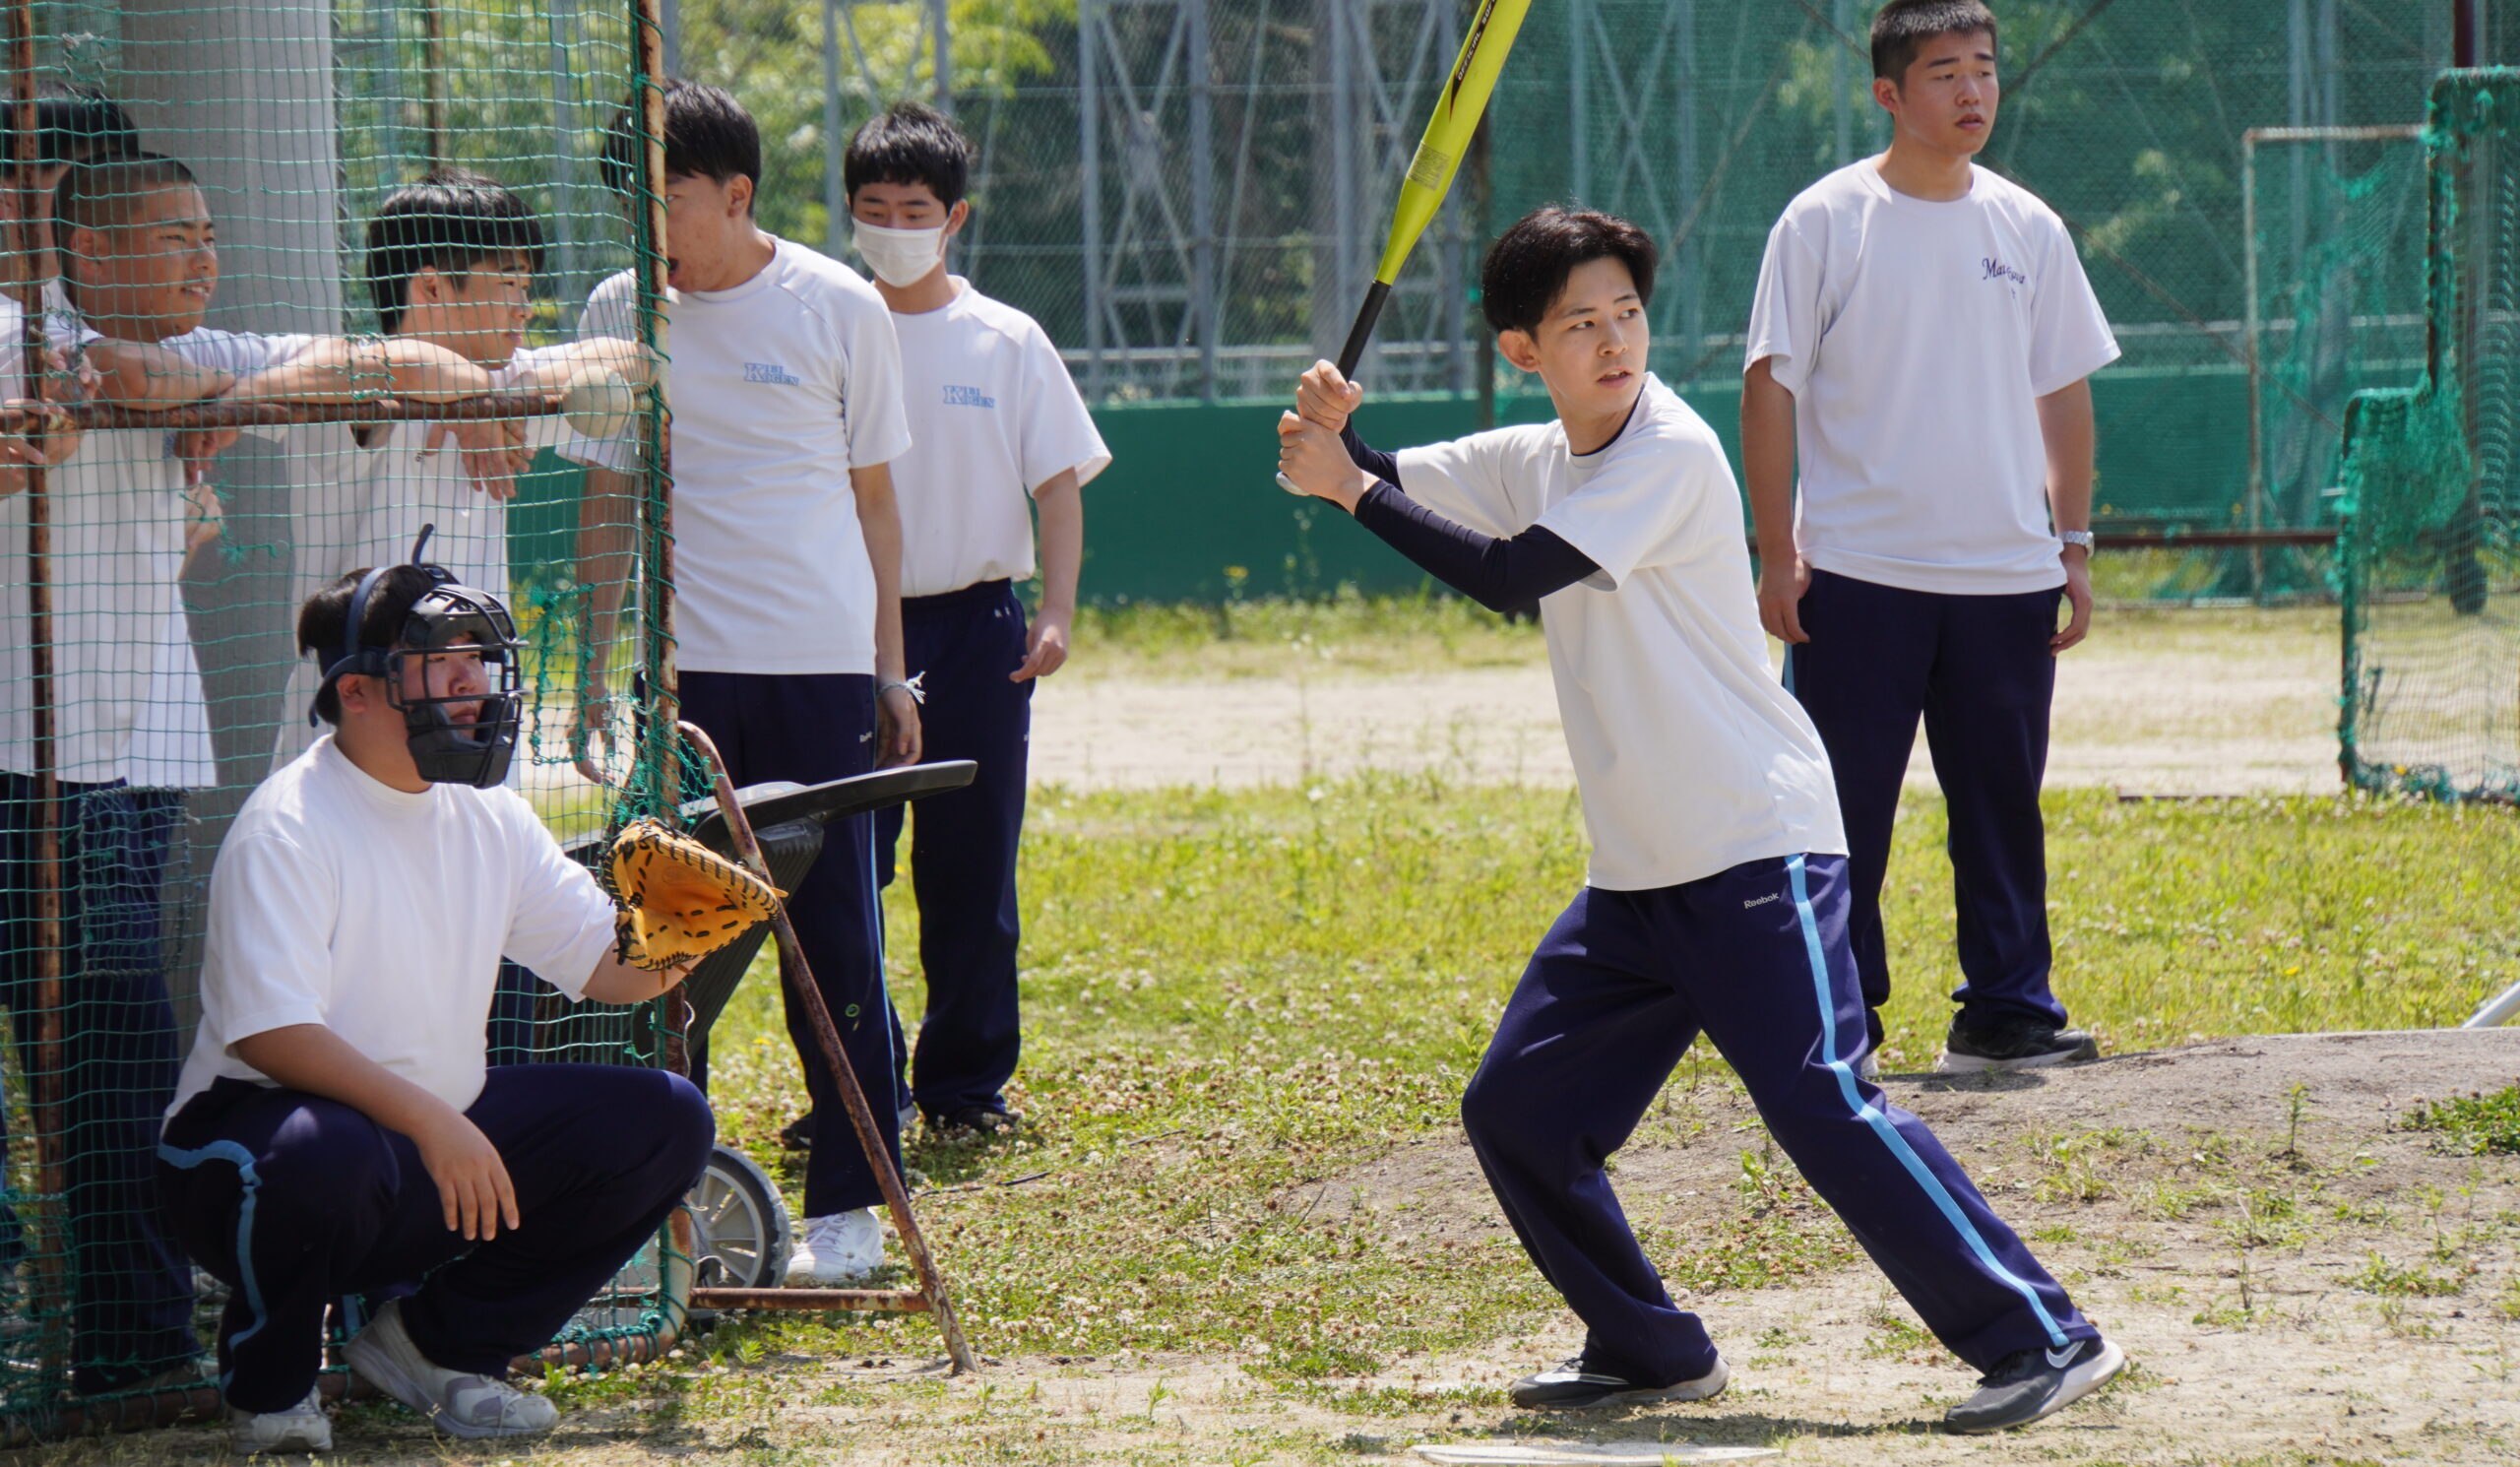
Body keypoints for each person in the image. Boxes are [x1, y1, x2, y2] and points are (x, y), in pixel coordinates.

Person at [1276, 206, 2124, 1434]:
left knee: (1822, 1101)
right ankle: (1649, 1345)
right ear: (1525, 350)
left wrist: (1345, 484)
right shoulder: (1542, 455)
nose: (1614, 339)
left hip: (1753, 846)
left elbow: (1509, 576)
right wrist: (1337, 439)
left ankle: (2043, 1333)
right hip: (1640, 877)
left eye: (1626, 312)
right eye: (1579, 323)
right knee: (1516, 1110)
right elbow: (1408, 480)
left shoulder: (1666, 451)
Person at [0, 149, 498, 1397]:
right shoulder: (23, 337)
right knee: (107, 1040)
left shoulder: (198, 351)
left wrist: (188, 385)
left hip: (133, 761)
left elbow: (376, 359)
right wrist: (110, 386)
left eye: (209, 231)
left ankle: (129, 1343)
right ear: (89, 251)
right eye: (172, 236)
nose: (203, 255)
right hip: (29, 752)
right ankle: (119, 1339)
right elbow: (73, 371)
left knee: (110, 1047)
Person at [156, 557, 714, 1454]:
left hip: (418, 1151)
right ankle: (274, 1391)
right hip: (249, 1153)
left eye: (479, 654)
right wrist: (434, 1124)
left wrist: (696, 914)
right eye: (441, 655)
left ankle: (435, 1349)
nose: (471, 679)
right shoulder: (288, 824)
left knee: (666, 1121)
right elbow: (271, 1033)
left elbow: (611, 966)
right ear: (359, 689)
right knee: (321, 1155)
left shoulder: (489, 815)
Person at [569, 80, 919, 1287]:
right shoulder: (621, 308)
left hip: (819, 672)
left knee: (837, 946)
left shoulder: (838, 304)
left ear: (734, 194)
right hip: (686, 681)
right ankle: (666, 1208)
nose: (648, 226)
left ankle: (852, 1209)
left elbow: (878, 501)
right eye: (633, 200)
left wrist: (888, 668)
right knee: (673, 943)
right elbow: (608, 496)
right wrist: (594, 670)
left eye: (666, 198)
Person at [1741, 0, 2118, 1074]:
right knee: (1838, 811)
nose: (1970, 92)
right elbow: (1768, 388)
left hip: (2006, 576)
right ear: (1888, 94)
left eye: (1984, 71)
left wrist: (2072, 541)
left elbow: (2064, 391)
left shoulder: (2027, 226)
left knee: (2001, 806)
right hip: (1855, 575)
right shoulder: (1823, 221)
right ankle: (1835, 1025)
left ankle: (2006, 1015)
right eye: (1944, 72)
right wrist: (1778, 552)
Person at [842, 100, 1108, 1137]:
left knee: (972, 867)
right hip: (850, 630)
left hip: (976, 628)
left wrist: (1054, 609)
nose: (894, 224)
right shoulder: (830, 322)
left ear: (956, 217)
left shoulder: (1005, 338)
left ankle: (962, 1087)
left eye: (916, 207)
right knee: (846, 869)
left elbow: (1059, 485)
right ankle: (855, 1090)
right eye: (874, 206)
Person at [277, 165, 648, 772]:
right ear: (429, 289)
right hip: (349, 746)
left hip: (473, 736)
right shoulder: (351, 388)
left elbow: (632, 360)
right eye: (510, 283)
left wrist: (478, 398)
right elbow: (350, 366)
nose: (525, 308)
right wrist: (462, 397)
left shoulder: (509, 382)